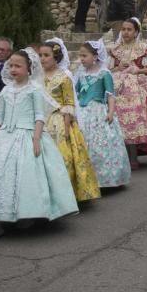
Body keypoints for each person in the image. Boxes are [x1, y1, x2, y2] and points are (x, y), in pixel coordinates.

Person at [0, 47, 78, 242]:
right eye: (11, 66)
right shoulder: (6, 89)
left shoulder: (34, 89)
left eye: (18, 66)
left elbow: (39, 115)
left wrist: (36, 138)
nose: (13, 69)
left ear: (29, 68)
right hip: (4, 137)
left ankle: (26, 214)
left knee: (25, 178)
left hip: (27, 134)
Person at [40, 39, 101, 202]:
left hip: (59, 121)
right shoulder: (37, 77)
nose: (43, 58)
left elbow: (68, 103)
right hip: (41, 121)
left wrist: (66, 128)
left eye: (46, 55)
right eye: (41, 55)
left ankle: (68, 195)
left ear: (56, 57)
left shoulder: (63, 77)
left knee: (65, 157)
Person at [109, 18, 147, 169]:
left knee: (135, 118)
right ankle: (121, 156)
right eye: (123, 29)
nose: (126, 32)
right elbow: (108, 70)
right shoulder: (115, 50)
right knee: (119, 119)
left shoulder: (143, 48)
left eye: (129, 29)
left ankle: (134, 157)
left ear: (136, 32)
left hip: (139, 86)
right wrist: (118, 68)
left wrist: (138, 70)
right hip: (119, 88)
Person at [73, 41, 131, 189]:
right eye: (80, 56)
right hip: (83, 111)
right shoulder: (80, 74)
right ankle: (86, 178)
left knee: (100, 144)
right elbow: (77, 93)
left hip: (98, 110)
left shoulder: (104, 73)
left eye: (84, 55)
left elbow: (110, 94)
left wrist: (111, 112)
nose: (82, 59)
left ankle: (106, 177)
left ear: (95, 56)